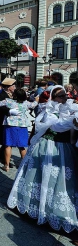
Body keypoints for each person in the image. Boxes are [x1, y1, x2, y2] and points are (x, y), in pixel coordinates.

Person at [7, 85, 78, 232]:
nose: (65, 98)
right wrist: (73, 122)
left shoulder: (68, 109)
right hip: (48, 147)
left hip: (64, 149)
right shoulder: (48, 112)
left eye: (65, 95)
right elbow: (57, 127)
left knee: (60, 181)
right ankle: (37, 207)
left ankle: (55, 210)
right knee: (42, 177)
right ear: (53, 98)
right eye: (61, 96)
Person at [0, 88, 38, 171]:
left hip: (10, 125)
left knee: (8, 145)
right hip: (22, 126)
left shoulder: (8, 101)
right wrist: (36, 99)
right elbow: (34, 104)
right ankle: (24, 165)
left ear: (15, 95)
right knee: (22, 146)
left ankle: (6, 165)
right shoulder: (26, 103)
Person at [0, 78, 15, 165]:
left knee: (6, 140)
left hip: (7, 120)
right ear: (8, 87)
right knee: (6, 139)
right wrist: (10, 111)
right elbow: (1, 107)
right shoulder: (2, 95)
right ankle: (4, 158)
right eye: (13, 86)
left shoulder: (9, 94)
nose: (14, 87)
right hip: (3, 120)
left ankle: (1, 154)